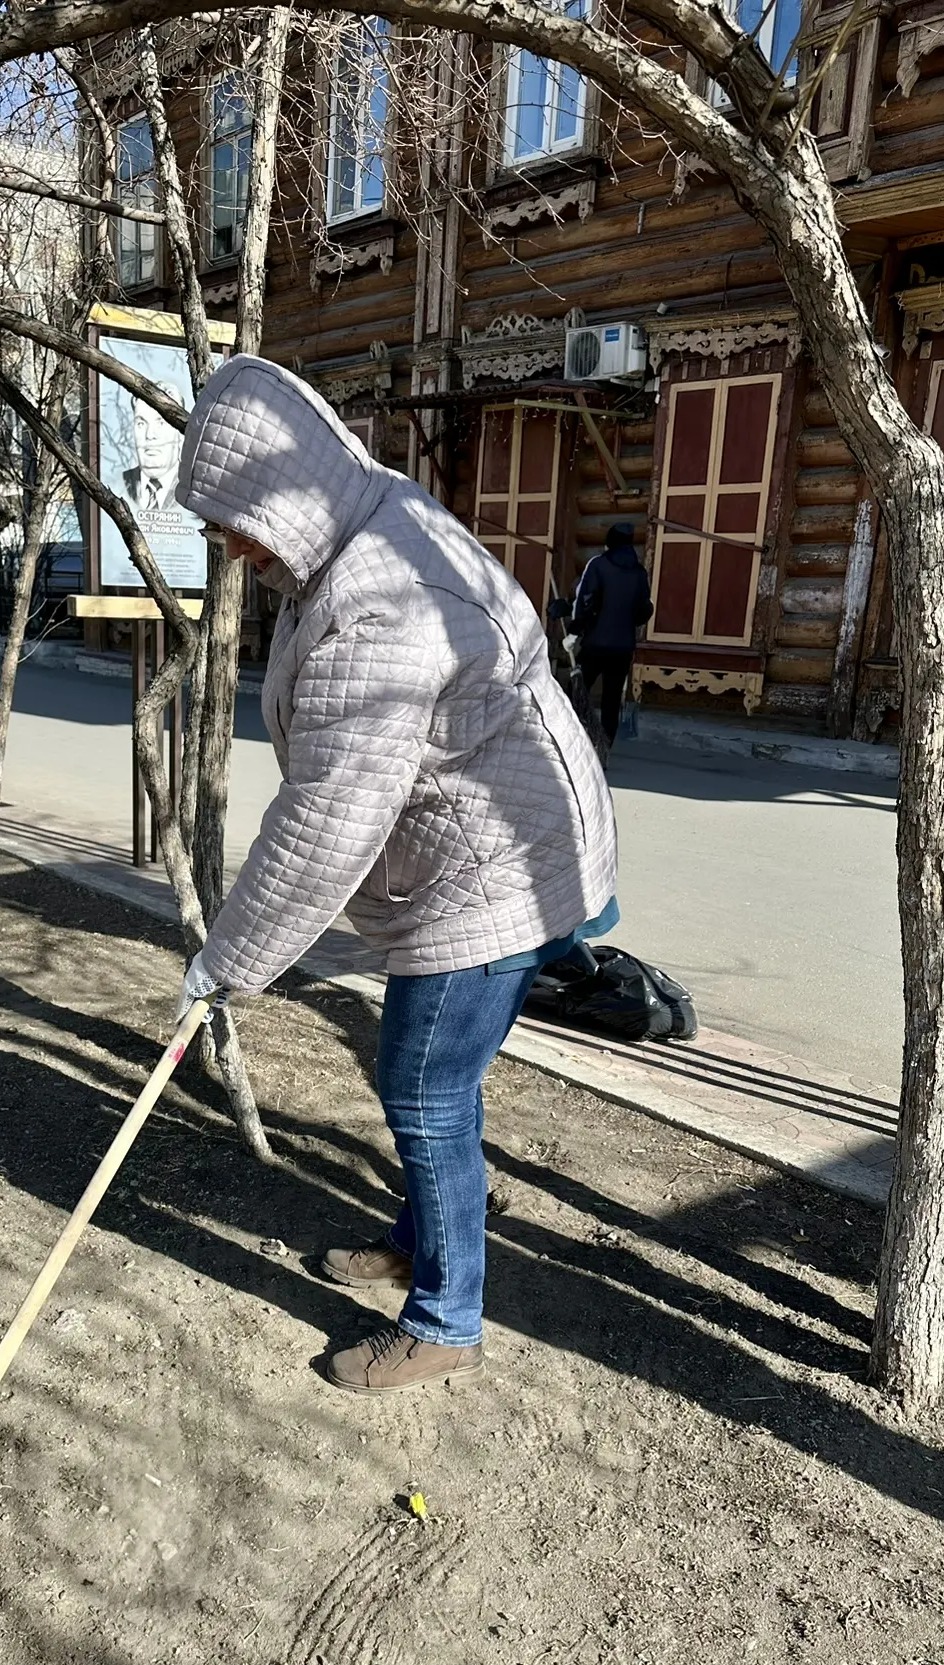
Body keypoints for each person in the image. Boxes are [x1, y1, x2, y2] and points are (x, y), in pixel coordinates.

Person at [172, 355, 619, 1396]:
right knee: (441, 1087)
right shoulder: (359, 527)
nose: (230, 548)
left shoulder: (381, 609)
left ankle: (445, 1320)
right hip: (504, 843)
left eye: (234, 523)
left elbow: (327, 818)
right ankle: (422, 1243)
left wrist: (227, 961)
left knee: (424, 1091)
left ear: (283, 498)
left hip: (492, 875)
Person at [569, 523, 653, 746]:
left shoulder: (598, 565)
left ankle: (574, 738)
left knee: (578, 690)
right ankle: (604, 746)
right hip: (623, 647)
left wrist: (575, 630)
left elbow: (586, 601)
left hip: (595, 643)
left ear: (610, 542)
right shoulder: (639, 573)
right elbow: (643, 611)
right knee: (612, 699)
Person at [122, 385, 184, 515]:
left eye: (161, 423)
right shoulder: (122, 483)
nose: (150, 435)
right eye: (141, 424)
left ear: (179, 433)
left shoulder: (190, 488)